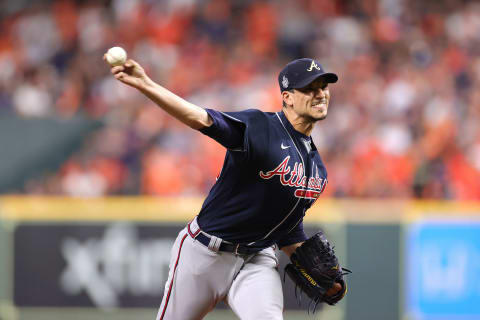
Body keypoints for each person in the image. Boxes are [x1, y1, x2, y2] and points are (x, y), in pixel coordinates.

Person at [105, 55, 342, 319]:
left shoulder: (317, 169)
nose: (320, 94)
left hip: (256, 260)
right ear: (287, 97)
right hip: (204, 252)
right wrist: (146, 84)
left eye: (324, 87)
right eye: (310, 88)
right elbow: (203, 119)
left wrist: (320, 273)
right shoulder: (260, 127)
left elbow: (287, 230)